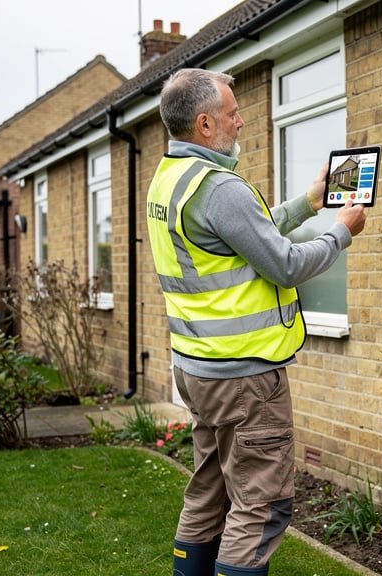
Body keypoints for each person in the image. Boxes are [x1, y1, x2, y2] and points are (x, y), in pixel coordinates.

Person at [145, 68, 367, 576]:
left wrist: (310, 202)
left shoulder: (170, 178)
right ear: (204, 123)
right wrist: (340, 232)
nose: (241, 122)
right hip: (243, 377)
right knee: (260, 505)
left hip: (198, 369)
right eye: (232, 113)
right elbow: (285, 263)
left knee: (209, 489)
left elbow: (245, 235)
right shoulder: (219, 187)